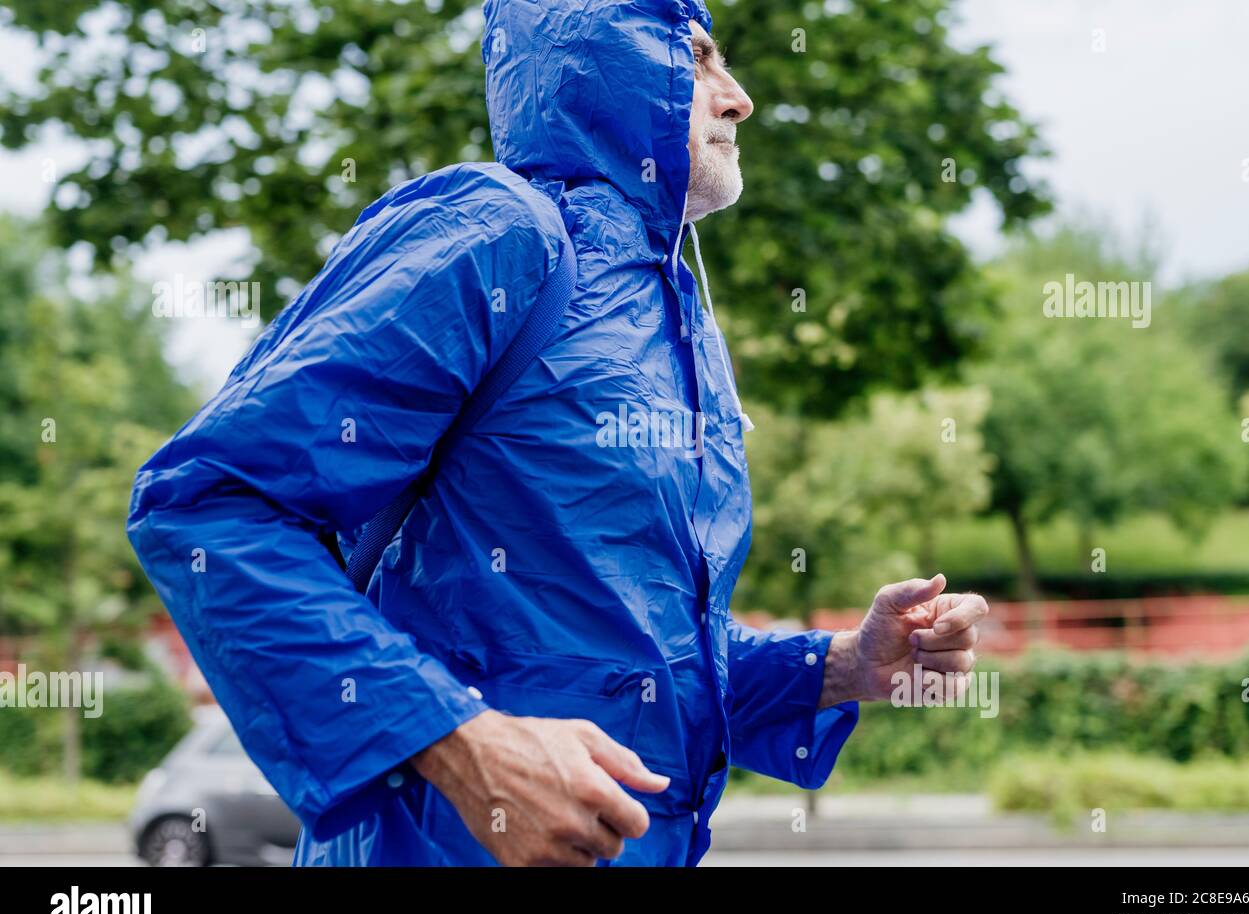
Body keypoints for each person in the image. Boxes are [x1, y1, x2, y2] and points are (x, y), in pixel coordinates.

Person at [127, 0, 988, 867]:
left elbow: (625, 648)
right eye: (695, 58)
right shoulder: (499, 234)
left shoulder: (675, 314)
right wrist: (461, 742)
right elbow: (205, 506)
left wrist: (842, 666)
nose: (738, 99)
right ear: (602, 62)